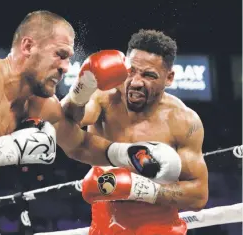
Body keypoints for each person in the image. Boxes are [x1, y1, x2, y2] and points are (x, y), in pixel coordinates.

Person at [0, 11, 180, 235]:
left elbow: (79, 145)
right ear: (28, 46)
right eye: (60, 54)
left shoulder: (39, 104)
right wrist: (10, 149)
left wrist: (130, 154)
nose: (65, 67)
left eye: (69, 59)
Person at [61, 29, 209, 235]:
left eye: (149, 75)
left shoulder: (183, 121)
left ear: (169, 78)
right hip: (105, 224)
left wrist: (139, 189)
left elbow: (199, 195)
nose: (136, 82)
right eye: (131, 71)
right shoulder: (105, 99)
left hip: (160, 227)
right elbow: (64, 121)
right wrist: (82, 89)